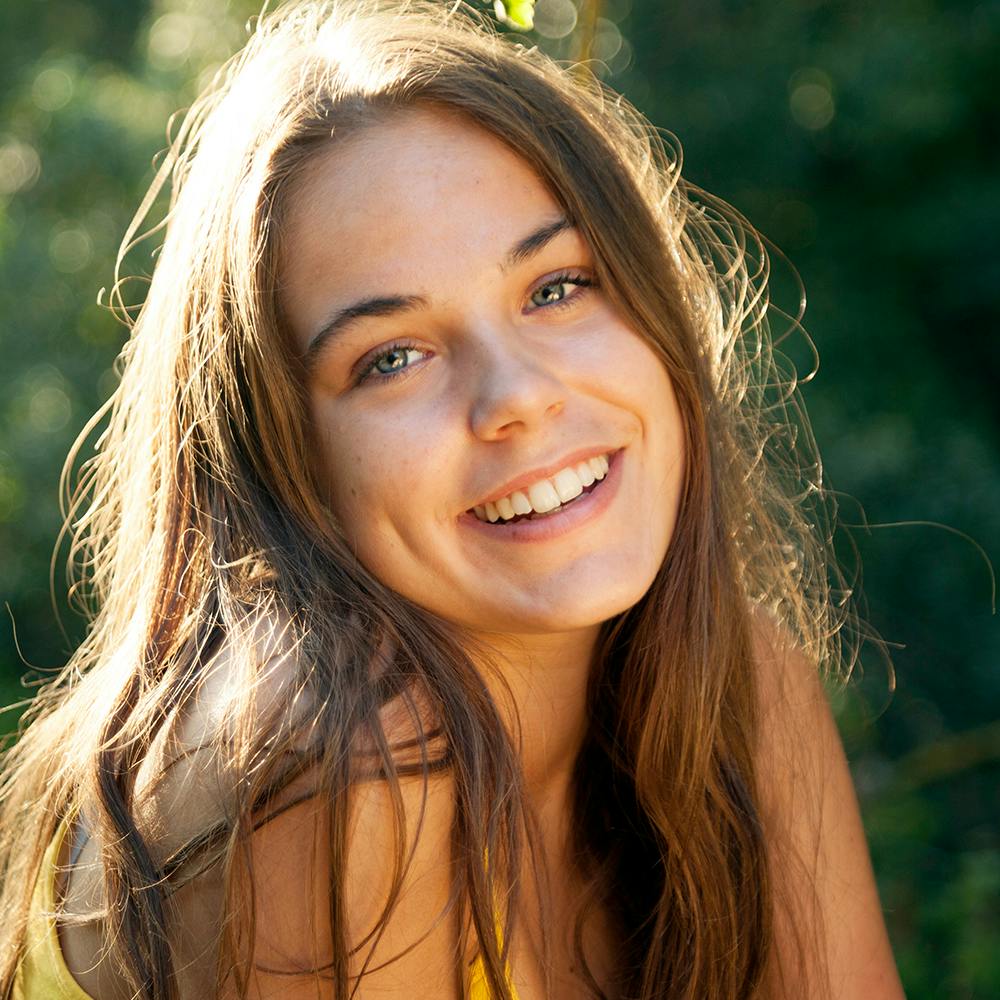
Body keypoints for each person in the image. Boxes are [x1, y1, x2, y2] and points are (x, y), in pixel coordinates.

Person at [0, 1, 907, 997]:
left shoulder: (738, 692)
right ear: (279, 453)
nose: (517, 395)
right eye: (391, 358)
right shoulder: (335, 762)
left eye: (556, 287)